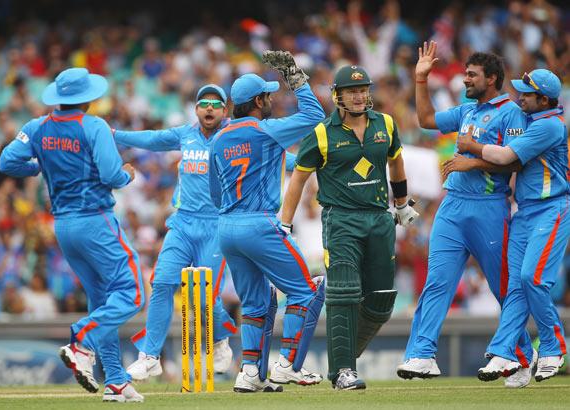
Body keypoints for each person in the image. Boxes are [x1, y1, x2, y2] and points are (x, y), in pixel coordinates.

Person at [0, 67, 145, 402]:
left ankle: (116, 382)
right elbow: (110, 174)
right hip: (96, 221)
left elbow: (8, 162)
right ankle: (82, 342)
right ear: (88, 98)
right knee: (134, 293)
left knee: (102, 300)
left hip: (63, 227)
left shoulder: (36, 127)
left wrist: (37, 166)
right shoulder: (93, 126)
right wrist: (126, 176)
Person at [396, 42, 534, 388]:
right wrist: (420, 80)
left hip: (489, 208)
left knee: (503, 286)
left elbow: (517, 161)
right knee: (437, 282)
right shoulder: (466, 111)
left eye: (471, 75)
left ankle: (520, 356)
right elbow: (426, 120)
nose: (465, 79)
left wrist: (473, 160)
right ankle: (422, 354)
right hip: (453, 205)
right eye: (465, 73)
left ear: (492, 79)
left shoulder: (511, 113)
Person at [281, 64, 418, 390]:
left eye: (363, 90)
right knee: (343, 294)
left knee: (383, 298)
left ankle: (341, 359)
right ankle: (343, 370)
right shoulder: (322, 133)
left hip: (379, 219)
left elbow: (396, 161)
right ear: (338, 96)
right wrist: (284, 224)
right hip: (341, 219)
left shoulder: (385, 123)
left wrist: (401, 204)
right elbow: (298, 178)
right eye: (352, 92)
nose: (359, 97)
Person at [209, 50, 326, 393]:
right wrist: (294, 75)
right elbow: (315, 114)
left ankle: (247, 371)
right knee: (305, 291)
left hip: (227, 228)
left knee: (255, 304)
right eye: (269, 95)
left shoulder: (218, 139)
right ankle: (287, 365)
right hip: (259, 224)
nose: (273, 98)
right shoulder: (267, 131)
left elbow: (216, 193)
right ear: (257, 101)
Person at [443, 69, 568, 385]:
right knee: (515, 285)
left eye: (526, 94)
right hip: (525, 212)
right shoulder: (532, 119)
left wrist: (470, 148)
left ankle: (553, 346)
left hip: (552, 208)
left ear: (543, 100)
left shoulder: (550, 126)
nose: (520, 97)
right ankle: (505, 352)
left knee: (532, 278)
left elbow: (505, 155)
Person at [113, 84, 239, 379]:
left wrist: (306, 163)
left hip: (216, 225)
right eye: (203, 103)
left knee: (204, 296)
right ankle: (149, 355)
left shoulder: (235, 134)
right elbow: (152, 139)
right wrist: (115, 134)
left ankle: (220, 338)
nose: (209, 108)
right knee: (162, 282)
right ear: (196, 110)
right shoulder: (185, 134)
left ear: (224, 110)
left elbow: (272, 154)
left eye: (215, 104)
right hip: (182, 224)